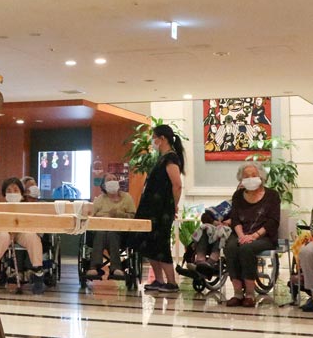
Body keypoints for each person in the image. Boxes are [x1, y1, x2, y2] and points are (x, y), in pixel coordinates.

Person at [134, 124, 185, 293]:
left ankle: (171, 281)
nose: (153, 141)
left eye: (154, 137)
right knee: (149, 244)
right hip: (151, 209)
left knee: (161, 243)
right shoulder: (161, 158)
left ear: (162, 138)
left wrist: (174, 205)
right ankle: (158, 279)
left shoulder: (171, 158)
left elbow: (177, 185)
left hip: (161, 210)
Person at [223, 161, 280, 307]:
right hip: (241, 233)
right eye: (246, 176)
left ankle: (249, 293)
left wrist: (253, 236)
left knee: (246, 248)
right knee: (230, 247)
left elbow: (273, 221)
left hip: (263, 236)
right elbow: (235, 219)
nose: (250, 178)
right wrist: (241, 235)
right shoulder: (238, 196)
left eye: (253, 175)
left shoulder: (272, 195)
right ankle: (237, 293)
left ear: (261, 176)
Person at [0, 177, 45, 294]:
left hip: (22, 232)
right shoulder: (0, 208)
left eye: (15, 190)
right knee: (2, 237)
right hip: (5, 232)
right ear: (4, 194)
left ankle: (38, 272)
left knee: (32, 237)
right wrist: (8, 230)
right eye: (9, 191)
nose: (12, 193)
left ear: (21, 193)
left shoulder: (27, 208)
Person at [86, 173, 136, 280]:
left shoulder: (127, 198)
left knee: (112, 234)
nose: (113, 181)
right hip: (101, 231)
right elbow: (91, 217)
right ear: (104, 185)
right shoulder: (99, 199)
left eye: (114, 179)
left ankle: (116, 268)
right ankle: (94, 267)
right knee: (101, 233)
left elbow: (133, 216)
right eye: (109, 180)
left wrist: (119, 214)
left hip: (121, 233)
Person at [189, 200, 231, 277]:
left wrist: (229, 222)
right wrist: (214, 221)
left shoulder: (244, 209)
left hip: (230, 231)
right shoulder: (227, 205)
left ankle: (210, 262)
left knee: (221, 232)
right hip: (212, 228)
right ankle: (200, 261)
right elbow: (205, 216)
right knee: (204, 228)